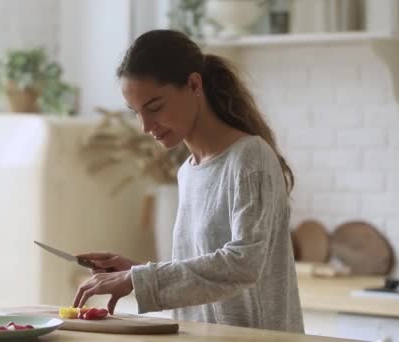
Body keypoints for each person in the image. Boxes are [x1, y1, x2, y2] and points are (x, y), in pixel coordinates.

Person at [73, 29, 304, 333]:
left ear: (194, 84)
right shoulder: (189, 171)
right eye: (137, 112)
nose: (145, 126)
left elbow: (244, 263)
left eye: (154, 107)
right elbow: (204, 274)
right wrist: (135, 271)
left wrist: (139, 280)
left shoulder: (250, 159)